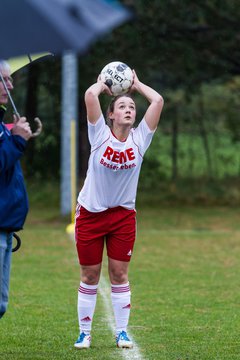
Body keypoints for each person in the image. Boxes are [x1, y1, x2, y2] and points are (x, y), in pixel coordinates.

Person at [74, 69, 164, 349]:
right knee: (89, 275)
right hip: (90, 214)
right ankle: (84, 333)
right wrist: (104, 85)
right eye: (122, 106)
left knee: (119, 274)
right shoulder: (99, 133)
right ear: (110, 114)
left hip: (123, 216)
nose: (128, 110)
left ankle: (122, 332)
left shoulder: (140, 139)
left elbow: (158, 100)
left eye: (132, 107)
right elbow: (90, 95)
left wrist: (136, 85)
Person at [0, 60, 32, 319]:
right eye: (4, 79)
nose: (10, 85)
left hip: (5, 225)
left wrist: (14, 135)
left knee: (0, 304)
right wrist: (18, 140)